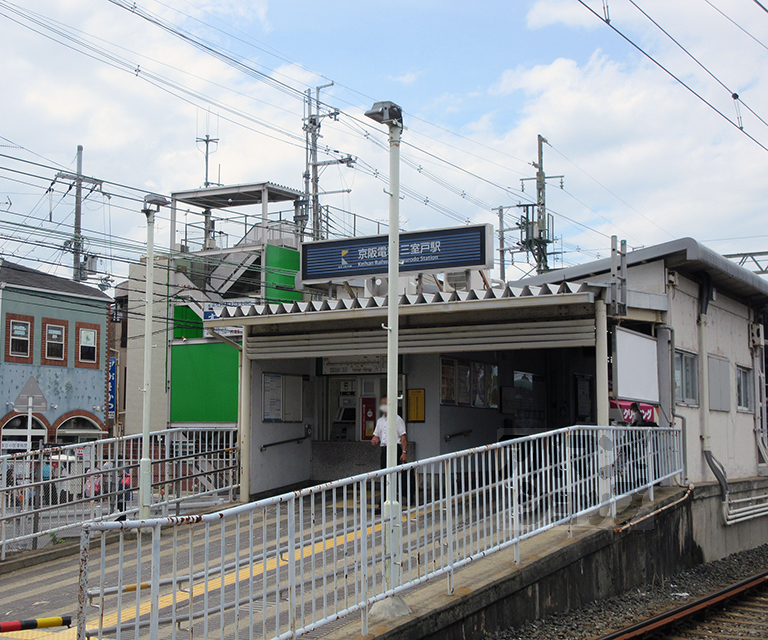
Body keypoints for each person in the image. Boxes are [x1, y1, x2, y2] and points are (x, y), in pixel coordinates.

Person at [370, 396, 407, 468]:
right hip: (384, 449)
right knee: (383, 470)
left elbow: (403, 436)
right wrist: (374, 440)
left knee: (395, 471)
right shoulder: (380, 421)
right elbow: (376, 435)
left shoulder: (397, 419)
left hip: (395, 449)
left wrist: (404, 452)